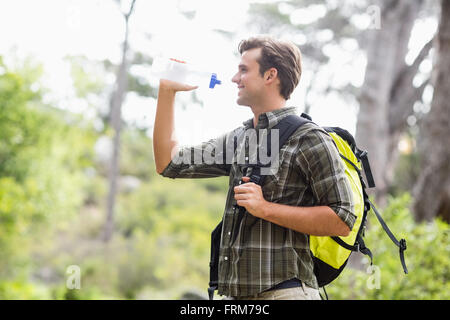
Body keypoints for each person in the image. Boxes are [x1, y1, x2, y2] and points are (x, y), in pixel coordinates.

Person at [152, 36, 355, 300]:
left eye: (244, 70)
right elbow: (168, 163)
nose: (235, 78)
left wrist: (265, 208)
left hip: (288, 293)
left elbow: (342, 219)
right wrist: (167, 92)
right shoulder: (241, 139)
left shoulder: (309, 138)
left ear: (271, 75)